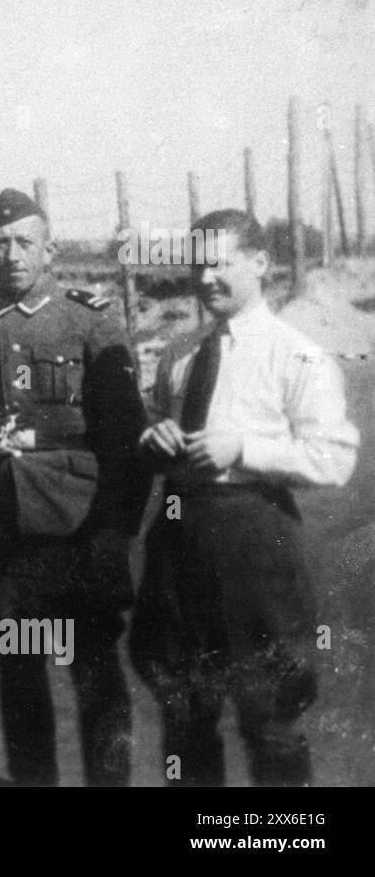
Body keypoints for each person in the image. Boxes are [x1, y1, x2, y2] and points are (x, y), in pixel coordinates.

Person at [130, 209, 359, 786]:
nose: (205, 277)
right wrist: (155, 435)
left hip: (256, 547)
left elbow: (334, 457)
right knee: (184, 711)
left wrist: (246, 450)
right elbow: (163, 420)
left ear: (260, 264)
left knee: (272, 719)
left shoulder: (297, 355)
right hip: (179, 546)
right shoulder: (181, 351)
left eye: (220, 262)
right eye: (197, 263)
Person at [0, 189, 149, 786]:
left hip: (79, 533)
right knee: (19, 675)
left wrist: (114, 534)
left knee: (95, 674)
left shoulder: (89, 321)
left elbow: (126, 445)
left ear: (50, 250)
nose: (11, 255)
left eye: (24, 243)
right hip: (7, 539)